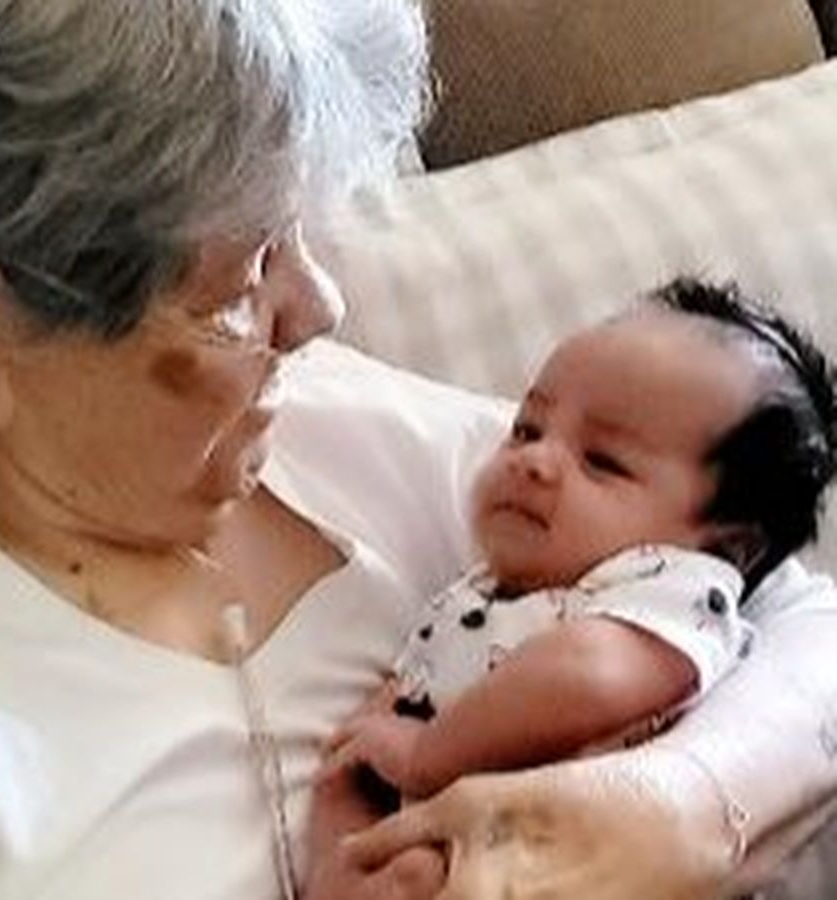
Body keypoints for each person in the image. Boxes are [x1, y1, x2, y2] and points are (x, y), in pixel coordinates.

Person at [0, 2, 835, 899]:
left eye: (300, 238)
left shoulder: (330, 425)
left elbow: (794, 615)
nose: (318, 312)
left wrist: (685, 809)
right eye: (245, 275)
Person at [322, 278, 837, 806]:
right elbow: (361, 748)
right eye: (528, 430)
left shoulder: (672, 595)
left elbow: (589, 676)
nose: (533, 460)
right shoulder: (479, 591)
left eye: (603, 461)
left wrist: (424, 755)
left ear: (726, 550)